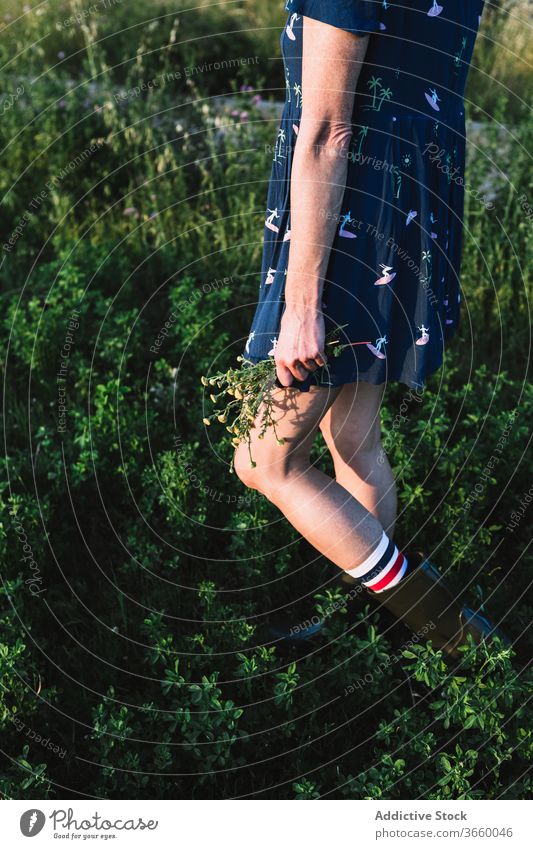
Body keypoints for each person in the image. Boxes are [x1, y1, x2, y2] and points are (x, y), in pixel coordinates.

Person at [234, 0, 506, 659]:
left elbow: (327, 130)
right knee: (351, 434)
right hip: (408, 202)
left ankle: (442, 624)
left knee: (264, 459)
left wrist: (302, 305)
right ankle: (361, 627)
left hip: (351, 219)